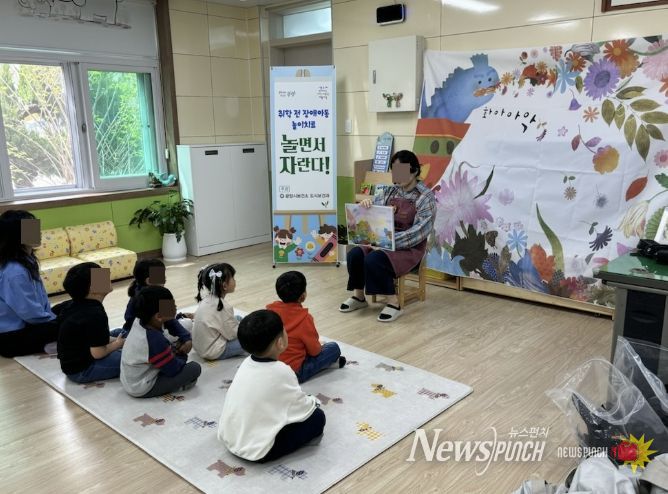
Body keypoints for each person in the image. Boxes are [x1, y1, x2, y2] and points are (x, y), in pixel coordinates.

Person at [340, 150, 436, 322]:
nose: (397, 176)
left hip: (409, 248)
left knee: (374, 259)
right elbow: (373, 214)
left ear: (414, 171)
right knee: (354, 254)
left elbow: (419, 232)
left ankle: (394, 303)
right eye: (395, 171)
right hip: (382, 242)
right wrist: (366, 205)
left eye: (402, 171)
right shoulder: (389, 191)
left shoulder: (425, 197)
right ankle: (359, 297)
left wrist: (387, 242)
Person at [219, 309, 325, 463]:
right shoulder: (282, 371)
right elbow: (303, 408)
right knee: (317, 417)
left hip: (230, 437)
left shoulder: (246, 363)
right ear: (280, 342)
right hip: (258, 451)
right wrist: (313, 401)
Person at [120, 286, 201, 398]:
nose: (175, 308)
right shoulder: (154, 339)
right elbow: (173, 369)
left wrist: (184, 340)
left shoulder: (141, 320)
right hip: (142, 387)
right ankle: (176, 387)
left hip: (130, 379)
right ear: (158, 316)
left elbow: (171, 323)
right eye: (172, 307)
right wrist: (181, 353)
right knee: (194, 368)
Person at [267, 271, 344, 383]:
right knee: (333, 348)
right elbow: (315, 352)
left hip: (271, 367)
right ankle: (325, 365)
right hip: (294, 373)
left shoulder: (270, 310)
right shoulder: (304, 318)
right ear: (303, 296)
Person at [0, 210, 58, 357]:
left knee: (74, 307)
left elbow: (40, 300)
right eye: (31, 228)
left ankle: (54, 341)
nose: (39, 232)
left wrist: (52, 317)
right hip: (11, 338)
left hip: (27, 324)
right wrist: (55, 321)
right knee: (75, 319)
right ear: (16, 235)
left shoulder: (26, 261)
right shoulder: (15, 271)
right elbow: (29, 313)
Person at [57, 262, 124, 383]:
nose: (107, 276)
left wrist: (118, 340)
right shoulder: (94, 314)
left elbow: (89, 336)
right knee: (132, 358)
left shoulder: (72, 304)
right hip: (82, 370)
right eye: (101, 276)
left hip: (74, 360)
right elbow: (98, 353)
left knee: (120, 332)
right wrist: (118, 344)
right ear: (93, 289)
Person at [117, 259, 193, 355]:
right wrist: (186, 338)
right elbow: (170, 321)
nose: (165, 279)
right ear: (149, 281)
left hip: (132, 334)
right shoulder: (157, 296)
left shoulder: (137, 292)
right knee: (187, 324)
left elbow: (127, 318)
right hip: (145, 338)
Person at [192, 263, 245, 360]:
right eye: (233, 278)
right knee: (251, 339)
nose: (235, 280)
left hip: (201, 346)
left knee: (238, 318)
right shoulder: (223, 307)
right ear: (224, 286)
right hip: (212, 351)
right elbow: (233, 335)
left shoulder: (207, 299)